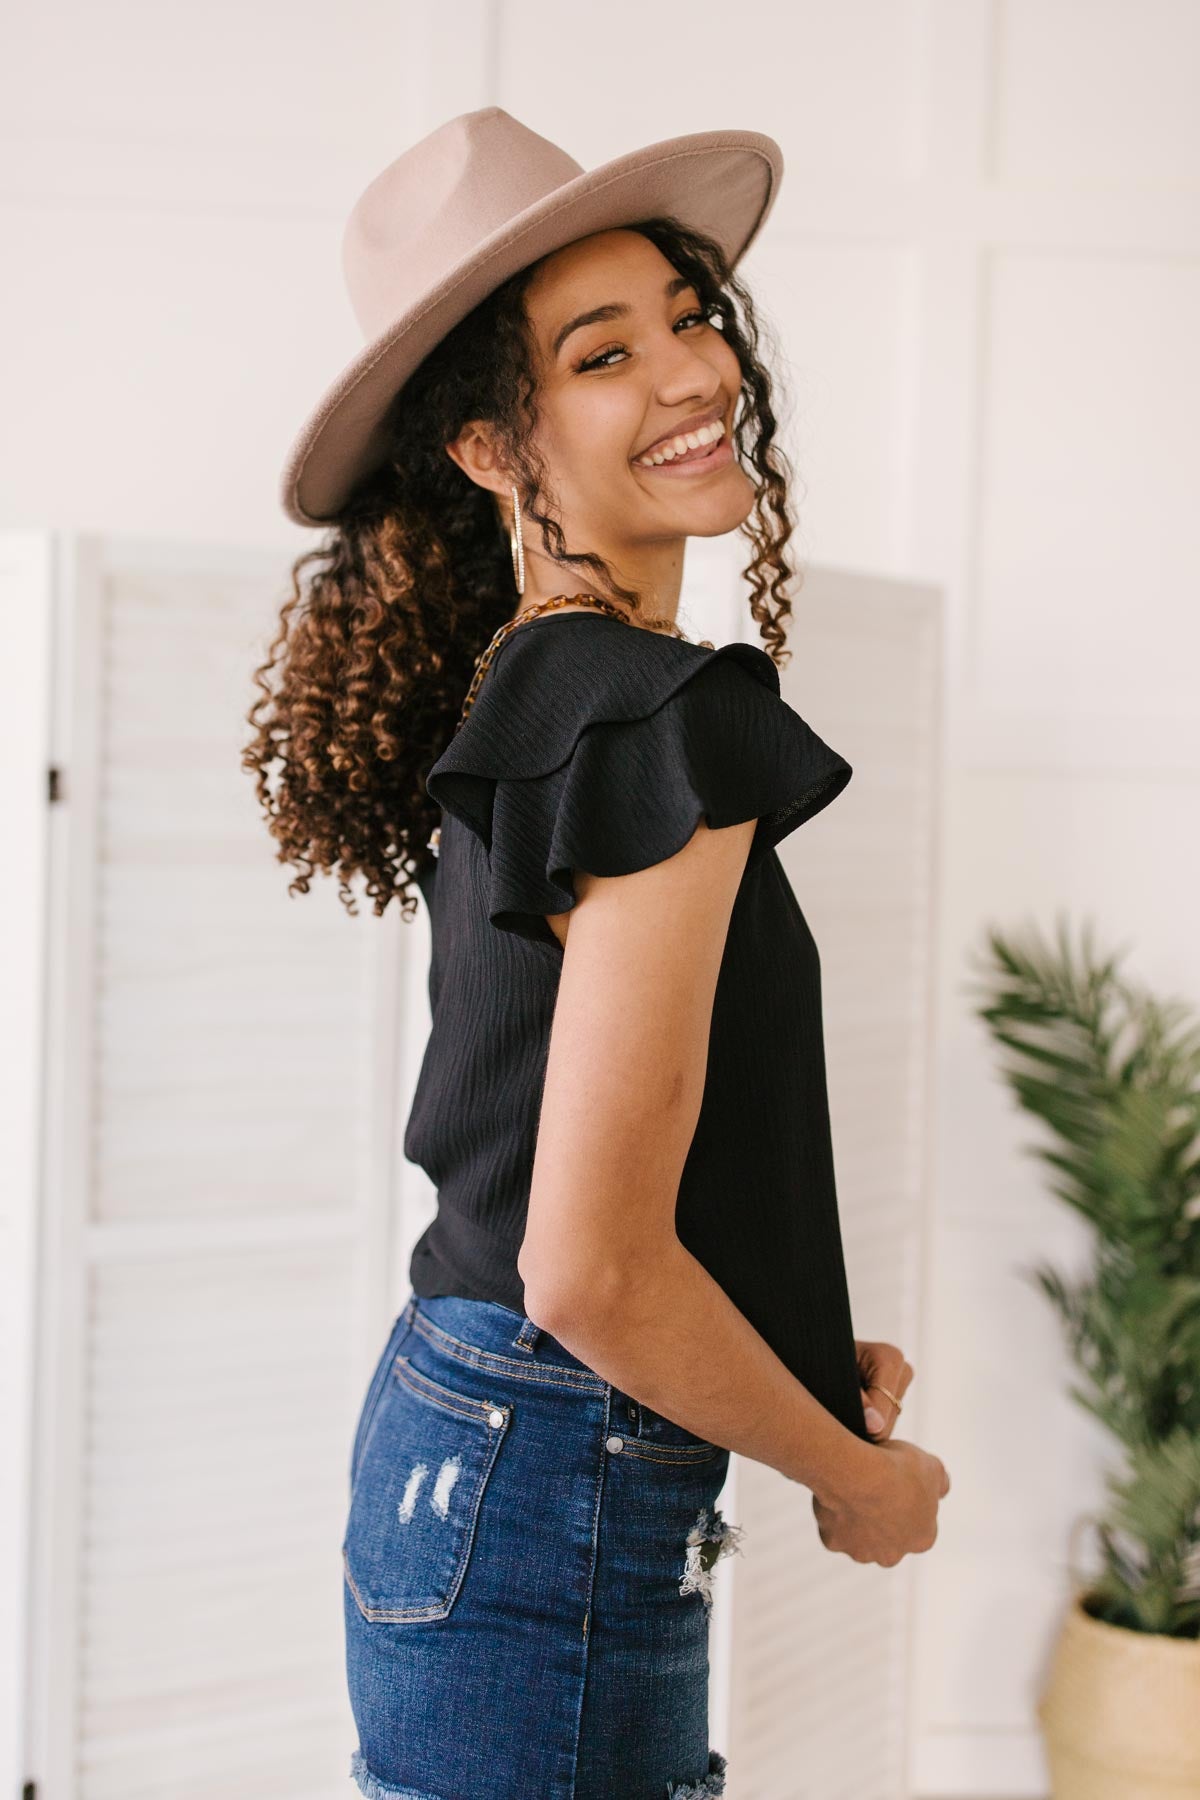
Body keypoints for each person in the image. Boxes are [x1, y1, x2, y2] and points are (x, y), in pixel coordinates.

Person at [250, 106, 950, 1800]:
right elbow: (587, 1269)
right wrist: (848, 1476)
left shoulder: (550, 687)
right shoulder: (646, 713)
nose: (691, 371)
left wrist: (778, 1345)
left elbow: (559, 1159)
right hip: (553, 1457)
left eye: (686, 315)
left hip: (478, 1441)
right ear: (496, 446)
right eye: (602, 351)